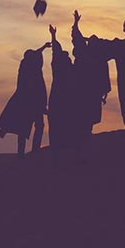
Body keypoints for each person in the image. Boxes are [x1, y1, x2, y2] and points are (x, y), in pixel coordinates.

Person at [0, 41, 50, 158]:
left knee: (33, 127)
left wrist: (44, 47)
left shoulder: (30, 67)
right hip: (29, 103)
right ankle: (26, 152)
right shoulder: (27, 69)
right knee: (26, 128)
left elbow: (36, 53)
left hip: (34, 103)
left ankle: (31, 150)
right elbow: (35, 55)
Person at [47, 24, 84, 166]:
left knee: (70, 129)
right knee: (61, 130)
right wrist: (53, 36)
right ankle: (59, 158)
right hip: (61, 103)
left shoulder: (67, 70)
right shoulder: (63, 69)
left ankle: (68, 157)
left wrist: (54, 36)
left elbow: (56, 52)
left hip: (65, 103)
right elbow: (56, 52)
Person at [72, 10, 112, 135]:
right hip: (85, 89)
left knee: (87, 115)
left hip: (91, 91)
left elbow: (77, 38)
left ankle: (86, 133)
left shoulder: (95, 57)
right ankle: (84, 133)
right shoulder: (91, 56)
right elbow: (77, 37)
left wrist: (103, 92)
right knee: (84, 114)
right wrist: (76, 23)